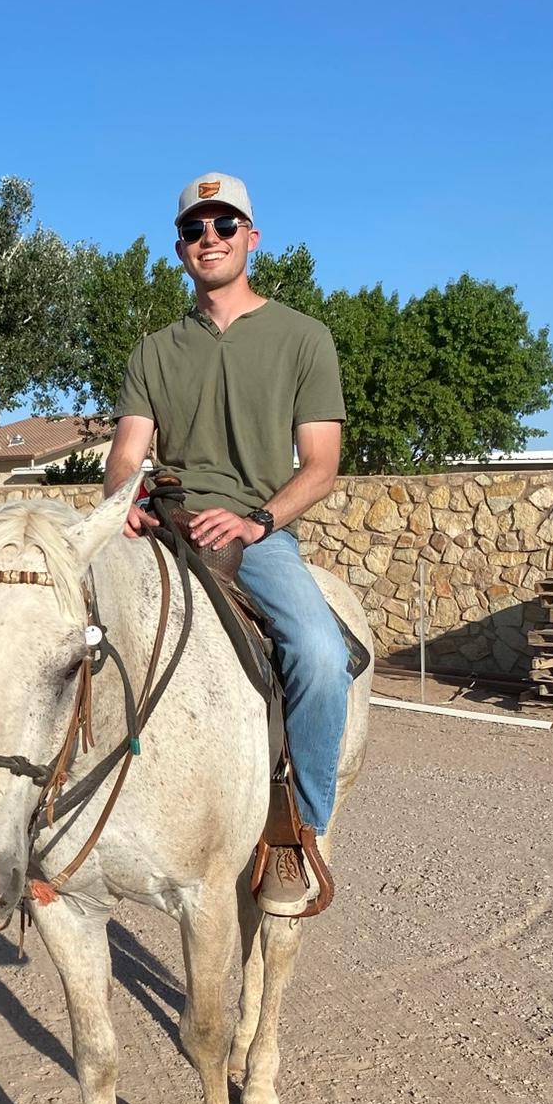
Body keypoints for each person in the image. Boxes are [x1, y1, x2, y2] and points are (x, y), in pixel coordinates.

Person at [101, 172, 351, 916]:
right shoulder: (155, 348)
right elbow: (126, 450)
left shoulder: (303, 338)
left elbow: (322, 466)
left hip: (255, 532)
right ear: (180, 247)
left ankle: (295, 830)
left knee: (321, 655)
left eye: (223, 224)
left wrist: (256, 523)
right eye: (194, 229)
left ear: (251, 237)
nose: (208, 238)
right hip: (162, 523)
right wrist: (126, 501)